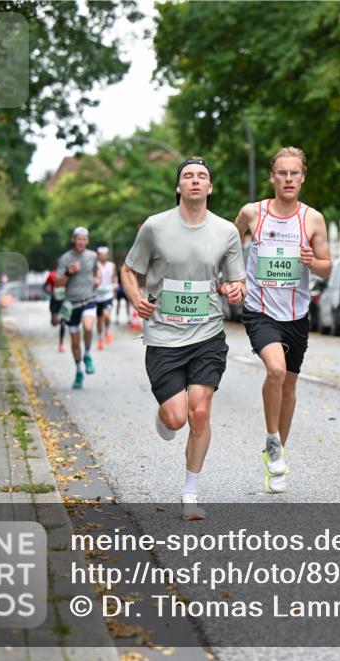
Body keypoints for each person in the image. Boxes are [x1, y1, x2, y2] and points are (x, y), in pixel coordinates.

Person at [121, 156, 245, 520]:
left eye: (202, 176)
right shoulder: (155, 228)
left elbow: (236, 280)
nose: (194, 181)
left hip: (207, 333)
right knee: (177, 419)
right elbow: (129, 270)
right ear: (179, 186)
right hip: (163, 336)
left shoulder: (226, 231)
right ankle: (165, 417)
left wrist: (236, 291)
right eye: (188, 176)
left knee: (200, 412)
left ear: (210, 187)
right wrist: (136, 299)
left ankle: (190, 493)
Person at [233, 146, 332, 493]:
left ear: (302, 177)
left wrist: (310, 261)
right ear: (272, 177)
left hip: (297, 314)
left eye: (294, 173)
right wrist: (235, 278)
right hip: (260, 310)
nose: (288, 179)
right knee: (274, 370)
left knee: (288, 387)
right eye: (282, 173)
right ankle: (272, 440)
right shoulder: (252, 213)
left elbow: (326, 266)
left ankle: (277, 452)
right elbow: (233, 243)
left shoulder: (313, 219)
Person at [55, 227, 100, 389]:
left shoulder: (92, 256)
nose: (81, 242)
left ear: (87, 241)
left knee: (88, 327)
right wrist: (68, 272)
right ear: (73, 240)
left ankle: (87, 354)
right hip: (71, 303)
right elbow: (58, 283)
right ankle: (79, 370)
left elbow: (97, 272)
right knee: (74, 342)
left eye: (84, 239)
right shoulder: (65, 259)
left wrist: (97, 279)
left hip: (88, 299)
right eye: (78, 239)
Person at [94, 246, 117, 349]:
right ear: (98, 255)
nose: (103, 256)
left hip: (108, 293)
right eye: (101, 255)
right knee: (99, 319)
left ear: (107, 255)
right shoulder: (95, 266)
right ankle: (99, 338)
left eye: (104, 255)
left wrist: (116, 283)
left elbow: (115, 276)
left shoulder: (112, 265)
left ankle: (107, 331)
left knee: (106, 315)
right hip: (98, 295)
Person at [43, 268, 67, 352]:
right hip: (54, 301)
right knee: (55, 323)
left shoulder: (68, 273)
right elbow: (44, 287)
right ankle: (54, 319)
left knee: (63, 323)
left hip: (64, 301)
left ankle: (61, 344)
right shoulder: (52, 274)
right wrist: (51, 294)